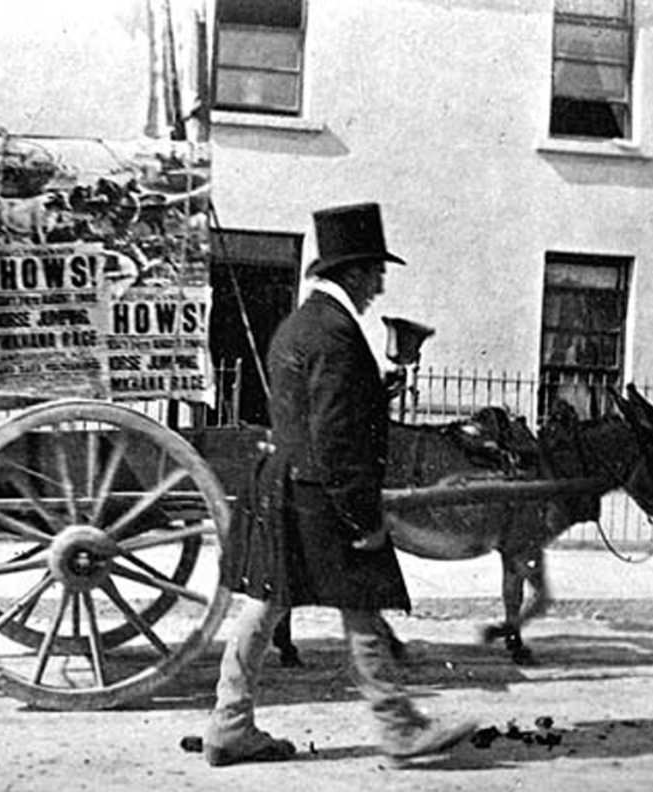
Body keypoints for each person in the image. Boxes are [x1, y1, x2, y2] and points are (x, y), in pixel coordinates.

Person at [202, 202, 478, 766]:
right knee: (361, 600)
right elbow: (336, 439)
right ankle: (398, 728)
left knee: (266, 604)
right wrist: (364, 520)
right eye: (375, 270)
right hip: (321, 495)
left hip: (284, 484)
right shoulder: (335, 334)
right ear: (351, 273)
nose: (379, 282)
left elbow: (319, 415)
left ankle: (229, 723)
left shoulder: (300, 326)